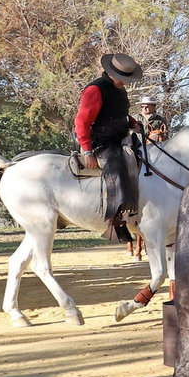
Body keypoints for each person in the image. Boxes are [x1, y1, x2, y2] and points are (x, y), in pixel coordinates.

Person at [74, 53, 143, 242]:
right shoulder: (95, 90)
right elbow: (81, 122)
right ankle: (115, 219)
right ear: (112, 73)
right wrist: (87, 150)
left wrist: (133, 123)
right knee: (117, 169)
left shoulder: (120, 90)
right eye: (124, 79)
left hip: (120, 138)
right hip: (101, 142)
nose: (126, 83)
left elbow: (119, 114)